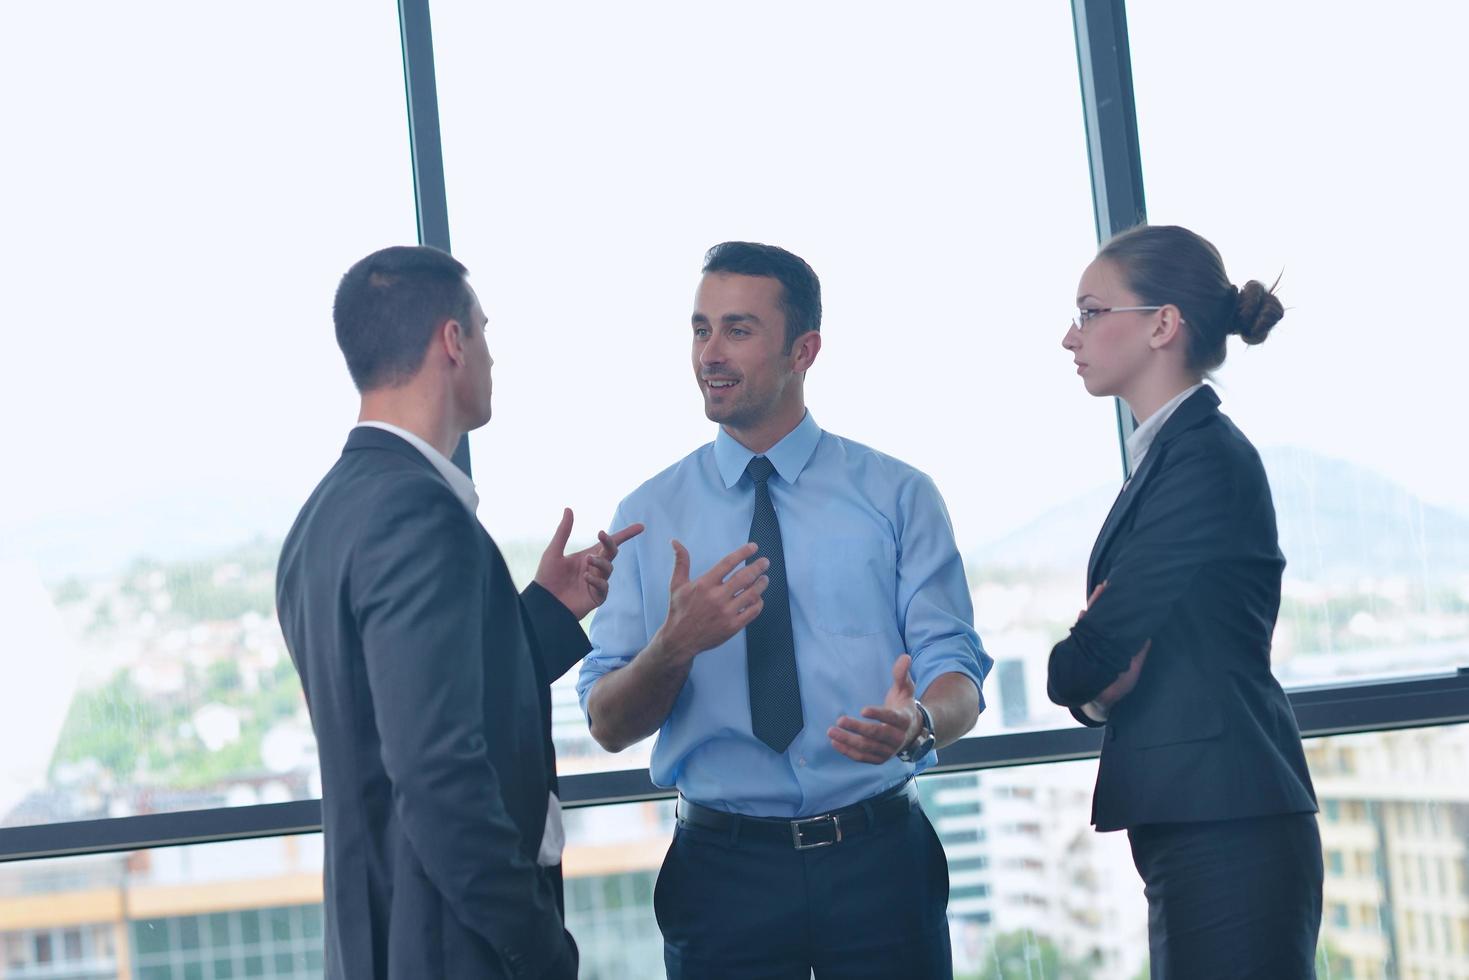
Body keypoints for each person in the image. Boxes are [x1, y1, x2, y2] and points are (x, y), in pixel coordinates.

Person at [577, 241, 990, 979]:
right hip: (720, 875)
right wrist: (675, 645)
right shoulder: (647, 515)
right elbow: (607, 725)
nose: (710, 352)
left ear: (804, 349)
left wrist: (917, 725)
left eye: (737, 329)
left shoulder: (898, 496)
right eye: (700, 329)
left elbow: (956, 676)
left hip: (880, 864)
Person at [276, 245, 641, 979]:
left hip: (380, 938)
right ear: (452, 341)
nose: (491, 356)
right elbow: (438, 769)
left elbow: (400, 702)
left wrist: (541, 610)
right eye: (483, 331)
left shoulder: (325, 515)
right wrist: (537, 947)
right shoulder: (418, 513)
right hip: (449, 945)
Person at [1048, 224, 1322, 978]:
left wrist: (1083, 668)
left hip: (1229, 824)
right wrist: (1097, 684)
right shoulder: (1168, 457)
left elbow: (1088, 657)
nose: (1070, 338)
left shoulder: (1200, 461)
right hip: (1203, 817)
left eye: (1091, 311)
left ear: (1162, 324)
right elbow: (1103, 662)